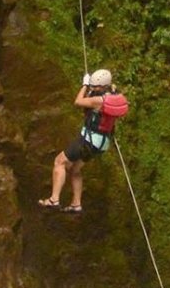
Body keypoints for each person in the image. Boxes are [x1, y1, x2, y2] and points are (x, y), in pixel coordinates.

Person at [41, 70, 129, 213]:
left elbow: (78, 101)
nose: (93, 88)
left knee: (59, 162)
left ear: (102, 86)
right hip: (102, 143)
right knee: (75, 169)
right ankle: (76, 204)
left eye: (96, 86)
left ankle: (53, 200)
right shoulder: (113, 94)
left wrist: (85, 85)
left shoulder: (98, 101)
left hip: (88, 141)